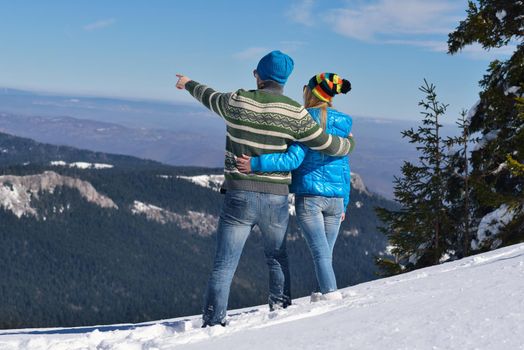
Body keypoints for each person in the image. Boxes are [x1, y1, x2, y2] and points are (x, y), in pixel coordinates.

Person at [175, 52, 355, 327]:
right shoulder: (295, 112)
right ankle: (279, 312)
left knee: (224, 264)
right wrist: (349, 145)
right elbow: (326, 144)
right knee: (276, 257)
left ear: (259, 76)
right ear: (285, 81)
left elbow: (208, 96)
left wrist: (187, 83)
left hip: (238, 195)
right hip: (276, 198)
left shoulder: (236, 100)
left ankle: (213, 321)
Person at [236, 73, 352, 301]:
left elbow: (292, 160)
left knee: (321, 254)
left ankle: (331, 298)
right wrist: (345, 202)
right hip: (336, 200)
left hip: (310, 198)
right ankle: (324, 294)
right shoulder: (343, 125)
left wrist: (255, 163)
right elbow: (345, 168)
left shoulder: (305, 120)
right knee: (325, 254)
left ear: (311, 93)